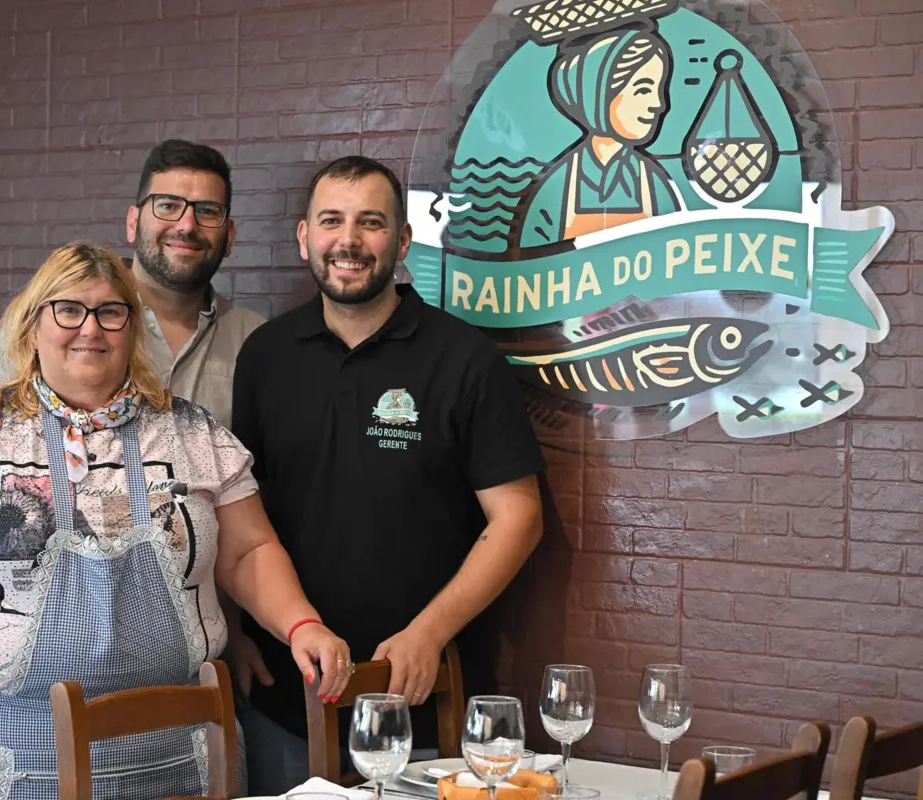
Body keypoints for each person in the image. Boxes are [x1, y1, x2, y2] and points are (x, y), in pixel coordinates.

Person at [0, 243, 352, 800]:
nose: (90, 329)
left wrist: (301, 624)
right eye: (68, 310)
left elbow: (249, 552)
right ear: (33, 324)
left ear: (132, 326)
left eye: (110, 312)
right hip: (8, 751)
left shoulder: (193, 433)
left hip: (181, 751)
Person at [230, 157, 547, 794]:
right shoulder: (265, 356)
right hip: (285, 702)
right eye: (331, 221)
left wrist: (429, 633)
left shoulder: (464, 359)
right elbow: (239, 515)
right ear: (304, 237)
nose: (348, 241)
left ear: (402, 242)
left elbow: (520, 519)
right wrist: (237, 632)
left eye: (370, 223)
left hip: (421, 700)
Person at [0, 139, 264, 440]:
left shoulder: (258, 340)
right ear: (133, 223)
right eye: (167, 205)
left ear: (230, 236)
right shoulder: (54, 316)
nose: (186, 225)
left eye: (207, 211)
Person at [513, 26, 682, 247]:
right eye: (643, 90)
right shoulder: (558, 185)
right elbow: (529, 261)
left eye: (658, 90)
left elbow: (674, 249)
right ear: (598, 95)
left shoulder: (653, 183)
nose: (659, 105)